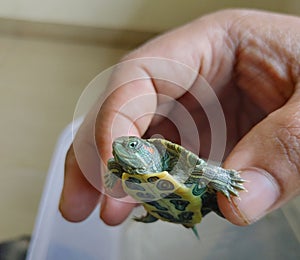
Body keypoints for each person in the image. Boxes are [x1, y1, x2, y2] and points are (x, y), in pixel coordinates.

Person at [59, 9, 300, 227]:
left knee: (222, 199)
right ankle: (153, 214)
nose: (122, 146)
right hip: (163, 207)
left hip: (194, 202)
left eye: (133, 144)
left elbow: (201, 170)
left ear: (149, 151)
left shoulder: (173, 162)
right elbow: (113, 172)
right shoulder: (122, 169)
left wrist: (223, 179)